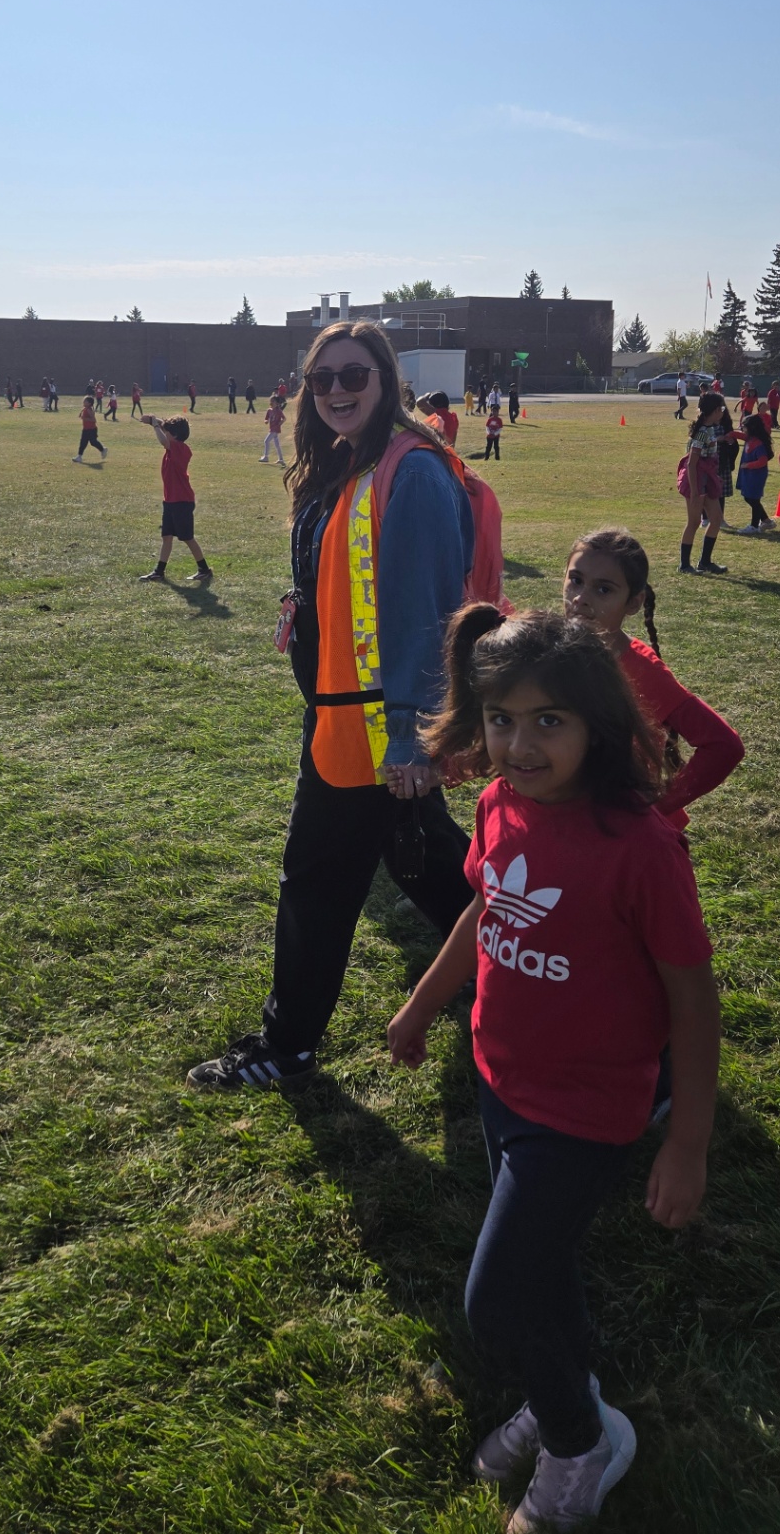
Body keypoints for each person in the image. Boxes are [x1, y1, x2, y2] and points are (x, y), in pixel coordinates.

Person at [386, 606, 718, 1532]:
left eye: (548, 721)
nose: (518, 743)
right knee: (543, 1266)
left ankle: (580, 1440)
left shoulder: (640, 847)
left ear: (597, 724)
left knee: (495, 1303)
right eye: (500, 718)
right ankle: (563, 1390)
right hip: (500, 1081)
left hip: (585, 1109)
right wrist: (421, 1003)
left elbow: (692, 1001)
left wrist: (685, 1140)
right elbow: (481, 913)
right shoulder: (496, 804)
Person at [186, 320, 475, 1093]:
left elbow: (428, 612)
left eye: (354, 375)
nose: (338, 390)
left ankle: (287, 1043)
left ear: (385, 381)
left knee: (315, 879)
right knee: (437, 873)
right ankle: (546, 976)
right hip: (342, 718)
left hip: (380, 729)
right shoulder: (346, 466)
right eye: (323, 380)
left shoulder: (409, 470)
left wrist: (415, 738)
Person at [563, 529, 743, 833]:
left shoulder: (640, 670)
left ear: (633, 603)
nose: (580, 598)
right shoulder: (554, 650)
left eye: (603, 590)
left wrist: (656, 807)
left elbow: (723, 745)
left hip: (629, 837)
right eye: (575, 580)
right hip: (578, 823)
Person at [136, 414, 211, 584]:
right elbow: (166, 432)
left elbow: (164, 440)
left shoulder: (181, 449)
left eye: (167, 431)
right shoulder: (173, 445)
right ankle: (159, 572)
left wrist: (156, 426)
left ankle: (204, 569)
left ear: (175, 435)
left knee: (187, 537)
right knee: (167, 536)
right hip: (170, 500)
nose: (164, 431)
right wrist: (153, 421)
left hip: (182, 501)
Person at [678, 393, 728, 575]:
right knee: (693, 523)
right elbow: (692, 464)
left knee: (715, 520)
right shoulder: (701, 433)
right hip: (697, 483)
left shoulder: (711, 429)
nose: (722, 412)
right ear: (714, 411)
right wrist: (695, 492)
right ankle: (684, 565)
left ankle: (705, 562)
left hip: (708, 481)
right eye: (721, 409)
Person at [733, 413, 774, 532]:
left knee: (753, 499)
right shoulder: (749, 438)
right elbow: (738, 435)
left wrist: (748, 465)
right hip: (749, 475)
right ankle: (767, 521)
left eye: (744, 426)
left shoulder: (758, 444)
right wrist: (728, 435)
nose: (742, 428)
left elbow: (762, 461)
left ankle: (754, 526)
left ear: (751, 428)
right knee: (749, 498)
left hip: (756, 476)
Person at [74, 393, 107, 463]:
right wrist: (81, 414)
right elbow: (83, 414)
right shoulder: (85, 409)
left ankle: (103, 449)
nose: (83, 402)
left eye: (85, 401)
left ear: (89, 403)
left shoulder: (89, 410)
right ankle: (79, 456)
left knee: (93, 442)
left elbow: (94, 420)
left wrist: (84, 418)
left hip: (91, 429)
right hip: (86, 429)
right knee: (83, 442)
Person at [261, 394, 285, 465]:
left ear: (277, 403)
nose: (271, 403)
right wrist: (266, 421)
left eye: (273, 401)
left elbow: (284, 418)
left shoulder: (279, 411)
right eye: (271, 401)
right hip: (271, 428)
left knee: (266, 441)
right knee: (277, 445)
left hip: (275, 429)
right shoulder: (269, 410)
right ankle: (281, 459)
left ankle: (266, 456)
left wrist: (280, 422)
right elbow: (266, 418)